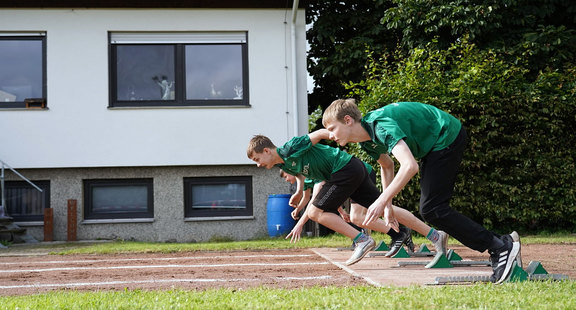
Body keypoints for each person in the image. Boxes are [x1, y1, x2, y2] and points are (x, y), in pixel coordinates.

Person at [322, 99, 521, 283]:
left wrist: (382, 200)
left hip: (445, 135)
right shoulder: (366, 141)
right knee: (432, 208)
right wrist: (388, 207)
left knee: (433, 209)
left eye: (332, 129)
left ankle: (500, 247)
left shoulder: (379, 126)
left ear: (347, 120)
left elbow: (409, 166)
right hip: (432, 145)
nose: (330, 135)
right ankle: (501, 242)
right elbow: (387, 166)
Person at [247, 133, 445, 264]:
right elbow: (300, 175)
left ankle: (362, 240)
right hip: (351, 169)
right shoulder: (284, 165)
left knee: (316, 212)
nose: (257, 165)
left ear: (266, 150)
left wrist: (337, 135)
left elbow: (321, 133)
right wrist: (299, 192)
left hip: (343, 169)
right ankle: (436, 235)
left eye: (257, 159)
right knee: (384, 207)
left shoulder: (291, 147)